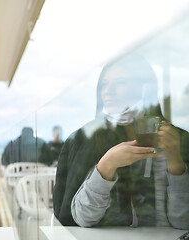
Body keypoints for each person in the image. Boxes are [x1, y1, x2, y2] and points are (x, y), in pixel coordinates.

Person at [53, 53, 189, 229]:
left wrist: (175, 160)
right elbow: (81, 219)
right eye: (104, 84)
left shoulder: (173, 139)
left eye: (120, 83)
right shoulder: (84, 139)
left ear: (145, 89)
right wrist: (106, 165)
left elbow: (184, 221)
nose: (108, 91)